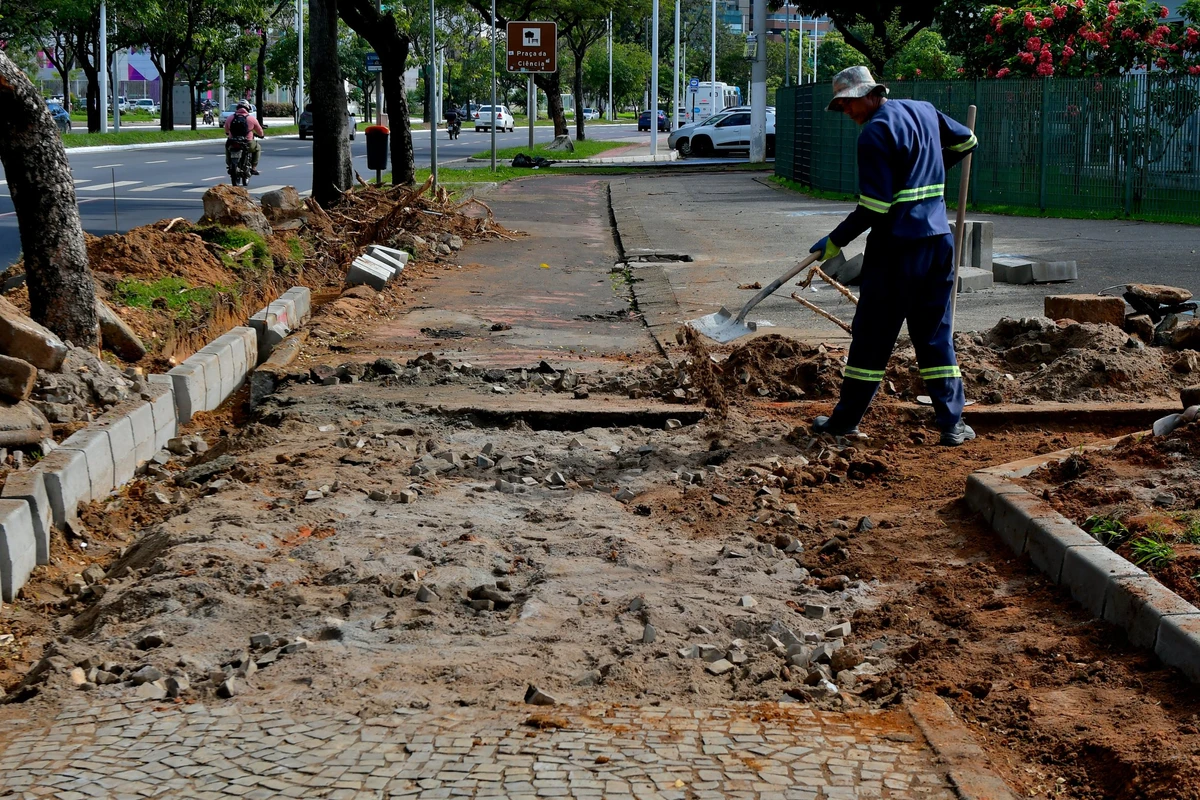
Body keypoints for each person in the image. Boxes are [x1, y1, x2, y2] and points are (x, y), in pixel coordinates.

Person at [808, 66, 978, 446]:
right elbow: (967, 141)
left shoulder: (873, 134)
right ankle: (952, 424)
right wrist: (929, 173)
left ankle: (845, 421)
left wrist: (835, 241)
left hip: (896, 249)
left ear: (870, 94)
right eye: (841, 106)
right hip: (937, 242)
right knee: (935, 335)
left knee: (872, 336)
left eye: (848, 103)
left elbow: (875, 206)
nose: (847, 112)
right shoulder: (924, 110)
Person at [224, 100, 263, 175]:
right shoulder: (251, 119)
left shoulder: (230, 117)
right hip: (248, 142)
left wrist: (228, 133)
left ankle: (230, 165)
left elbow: (226, 129)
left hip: (232, 141)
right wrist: (261, 135)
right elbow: (259, 130)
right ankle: (253, 167)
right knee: (258, 148)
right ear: (248, 108)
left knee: (227, 148)